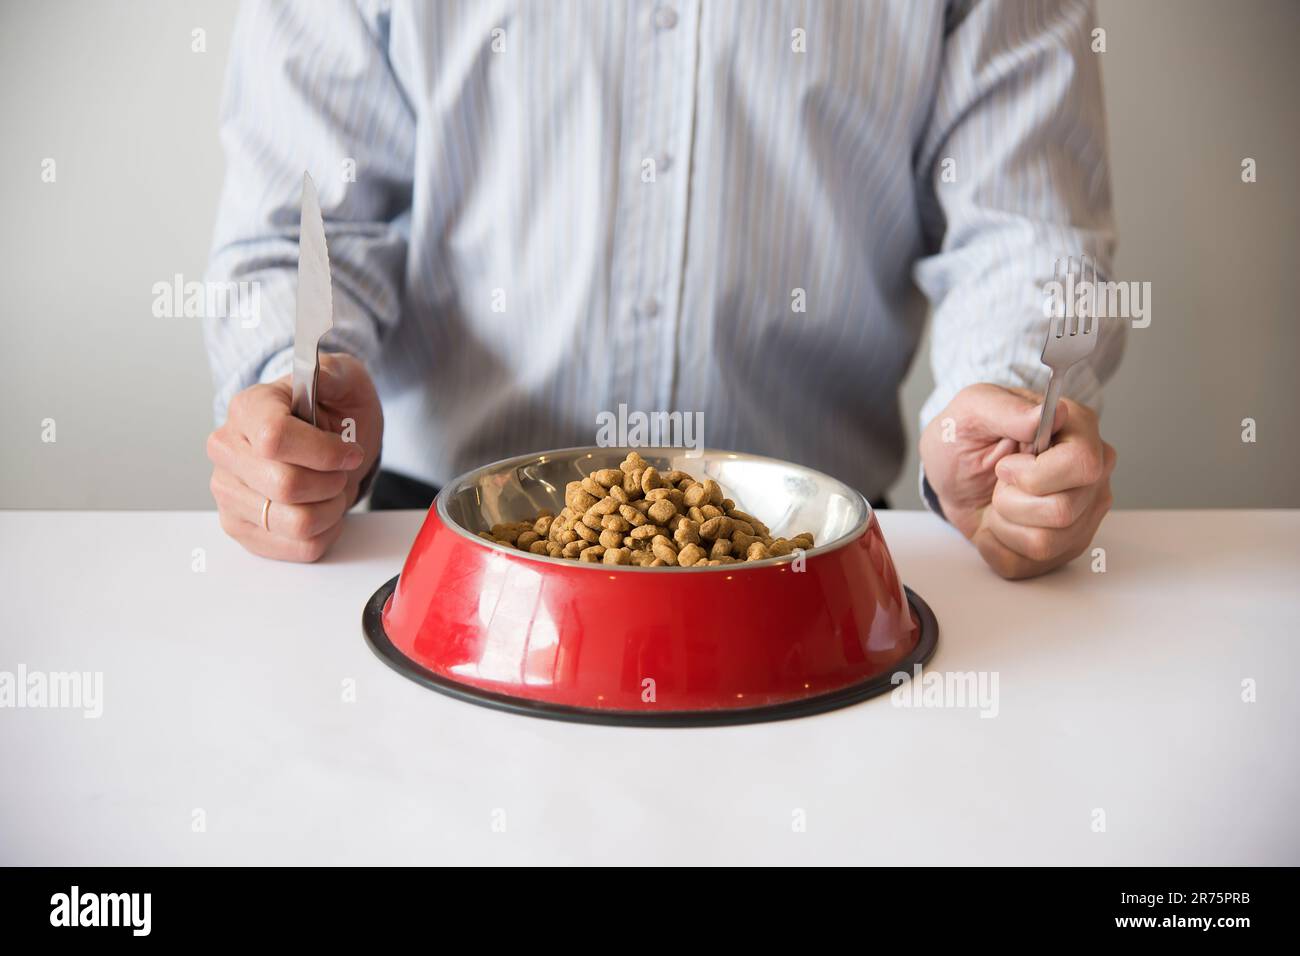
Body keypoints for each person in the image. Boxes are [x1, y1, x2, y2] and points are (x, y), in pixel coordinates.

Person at [204, 0, 1121, 578]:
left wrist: (1002, 429)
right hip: (440, 537)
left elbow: (1024, 223)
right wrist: (300, 395)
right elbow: (305, 221)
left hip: (806, 545)